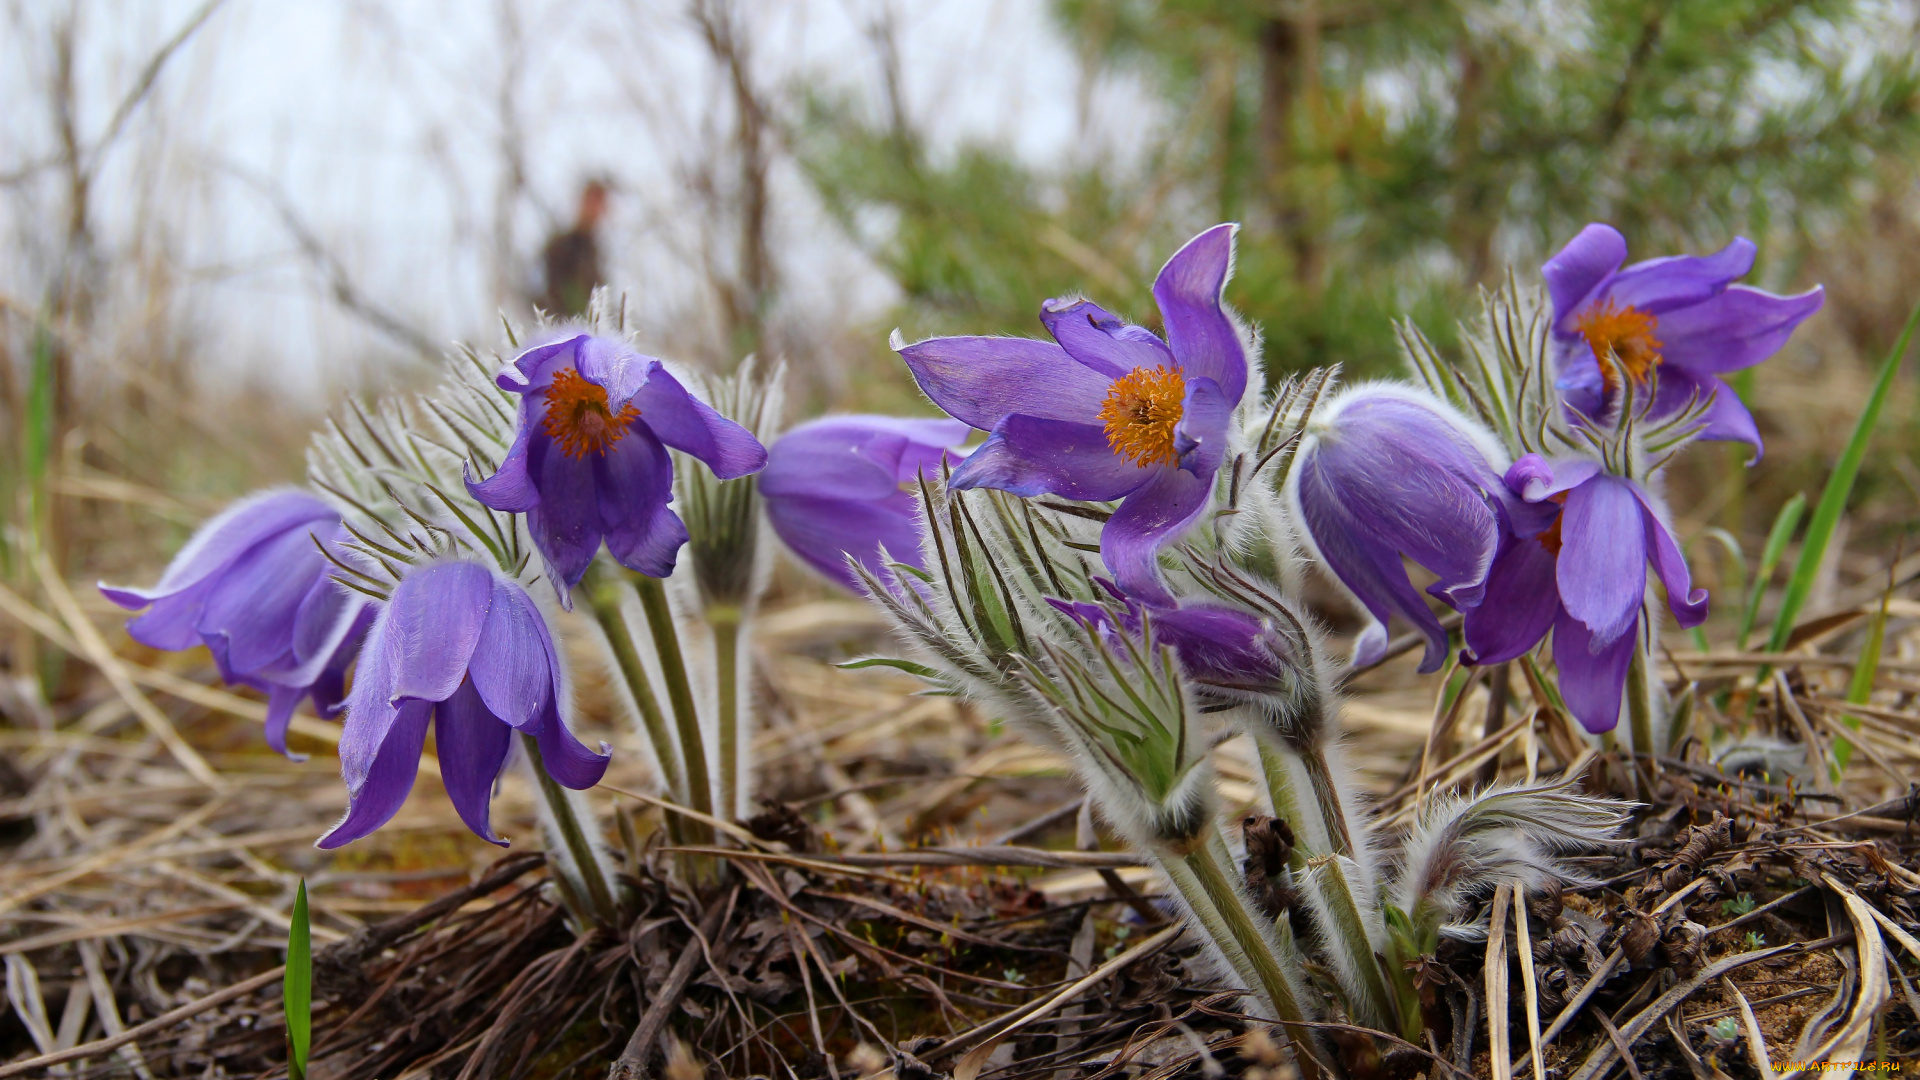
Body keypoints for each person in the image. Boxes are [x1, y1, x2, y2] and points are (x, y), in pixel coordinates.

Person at [538, 179, 609, 317]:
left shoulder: (595, 250)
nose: (596, 209)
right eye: (593, 202)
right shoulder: (562, 246)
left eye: (600, 203)